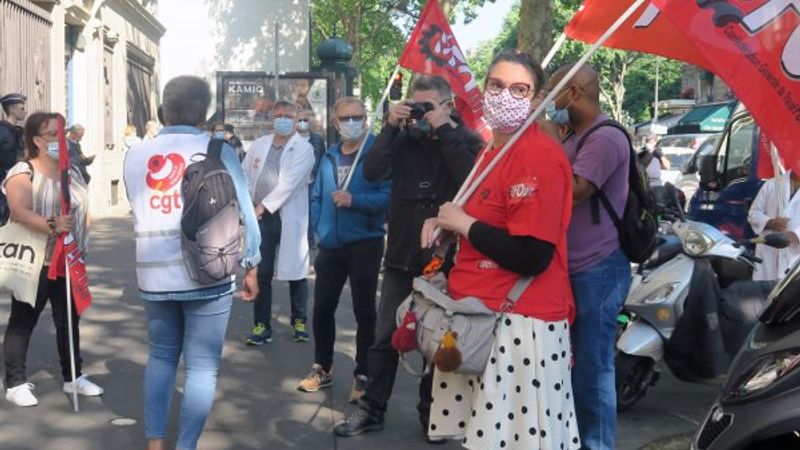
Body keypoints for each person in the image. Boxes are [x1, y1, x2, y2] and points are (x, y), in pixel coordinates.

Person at [420, 50, 581, 450]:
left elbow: (533, 256)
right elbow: (488, 225)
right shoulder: (491, 151)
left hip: (520, 325)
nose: (504, 95)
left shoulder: (538, 155)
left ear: (538, 97)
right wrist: (447, 228)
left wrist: (464, 224)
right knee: (484, 438)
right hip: (478, 317)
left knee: (514, 442)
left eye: (519, 88)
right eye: (496, 85)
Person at [335, 75, 484, 441]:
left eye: (428, 106)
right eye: (417, 105)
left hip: (446, 260)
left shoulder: (467, 139)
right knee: (384, 336)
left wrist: (443, 129)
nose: (421, 113)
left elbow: (471, 180)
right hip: (402, 253)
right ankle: (371, 408)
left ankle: (433, 414)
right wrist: (390, 127)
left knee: (441, 342)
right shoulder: (404, 137)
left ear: (448, 105)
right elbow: (370, 172)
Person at [123, 75, 261, 450]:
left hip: (153, 275)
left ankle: (154, 442)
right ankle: (185, 446)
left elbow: (137, 207)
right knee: (201, 367)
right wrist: (251, 264)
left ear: (163, 109)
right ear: (205, 112)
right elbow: (246, 214)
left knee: (162, 357)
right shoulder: (218, 150)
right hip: (209, 272)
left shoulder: (135, 154)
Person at [547, 64, 633, 450]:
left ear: (576, 92)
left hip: (599, 268)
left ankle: (597, 445)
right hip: (574, 267)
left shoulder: (605, 138)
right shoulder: (575, 137)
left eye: (555, 92)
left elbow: (575, 190)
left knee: (594, 369)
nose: (552, 102)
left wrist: (547, 139)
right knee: (576, 368)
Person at [3, 112, 103, 407]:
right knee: (23, 320)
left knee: (68, 321)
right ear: (36, 140)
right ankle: (16, 382)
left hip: (69, 261)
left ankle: (74, 375)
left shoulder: (68, 171)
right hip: (36, 261)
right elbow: (19, 210)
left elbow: (83, 205)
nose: (58, 139)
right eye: (51, 134)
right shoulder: (23, 170)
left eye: (61, 133)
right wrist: (51, 224)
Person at [297, 97, 390, 403]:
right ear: (335, 123)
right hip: (331, 245)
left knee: (366, 312)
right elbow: (317, 196)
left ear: (366, 119)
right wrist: (316, 229)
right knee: (322, 309)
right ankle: (322, 367)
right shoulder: (328, 156)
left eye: (358, 116)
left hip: (365, 243)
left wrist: (356, 201)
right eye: (345, 118)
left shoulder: (377, 151)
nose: (352, 122)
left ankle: (363, 374)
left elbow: (390, 197)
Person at [242, 100, 315, 345]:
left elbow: (289, 184)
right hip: (259, 217)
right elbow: (245, 173)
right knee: (261, 271)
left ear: (296, 120)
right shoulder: (260, 144)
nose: (282, 119)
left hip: (287, 216)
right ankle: (262, 325)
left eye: (288, 115)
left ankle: (299, 320)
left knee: (296, 270)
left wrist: (262, 206)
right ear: (272, 117)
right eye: (278, 115)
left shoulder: (303, 149)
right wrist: (245, 203)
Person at [748, 170, 800, 281]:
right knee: (763, 294)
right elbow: (753, 214)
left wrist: (794, 235)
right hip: (768, 254)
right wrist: (770, 222)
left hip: (794, 255)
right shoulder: (771, 185)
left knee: (789, 295)